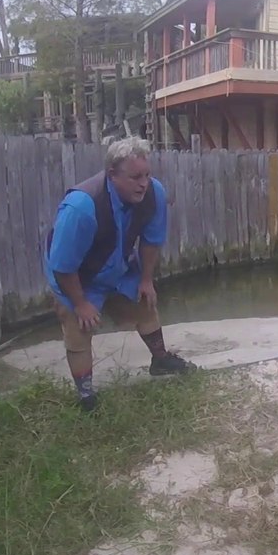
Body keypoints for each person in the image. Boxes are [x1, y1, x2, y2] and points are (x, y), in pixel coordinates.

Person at [44, 136, 195, 411]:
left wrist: (146, 279)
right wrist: (81, 304)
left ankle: (160, 361)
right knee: (80, 329)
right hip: (78, 277)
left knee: (144, 303)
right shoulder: (81, 207)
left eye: (147, 175)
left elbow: (151, 238)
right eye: (135, 177)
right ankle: (86, 397)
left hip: (119, 266)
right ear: (112, 174)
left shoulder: (152, 194)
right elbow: (62, 265)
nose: (143, 183)